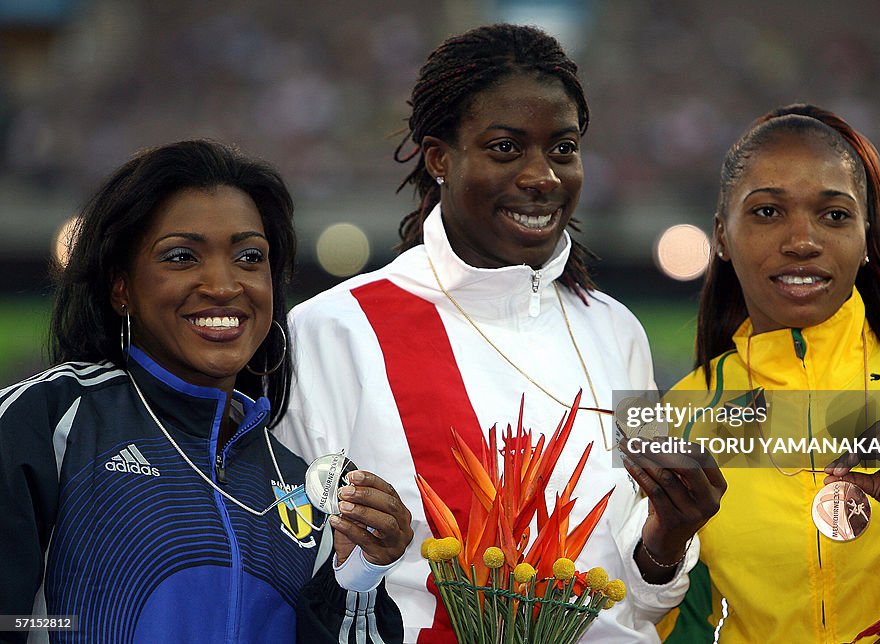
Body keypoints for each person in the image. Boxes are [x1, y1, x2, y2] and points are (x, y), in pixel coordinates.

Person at [276, 23, 723, 644]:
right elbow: (292, 561)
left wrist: (670, 534)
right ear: (439, 158)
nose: (543, 176)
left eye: (563, 148)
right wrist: (357, 561)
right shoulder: (334, 330)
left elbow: (643, 597)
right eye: (507, 148)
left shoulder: (619, 331)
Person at [0, 140, 410, 644]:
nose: (222, 284)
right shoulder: (47, 422)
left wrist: (359, 577)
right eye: (181, 256)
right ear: (121, 287)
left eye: (248, 257)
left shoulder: (304, 482)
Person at [660, 105, 880, 642]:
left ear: (866, 235)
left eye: (834, 215)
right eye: (766, 212)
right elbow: (670, 627)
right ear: (721, 234)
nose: (802, 241)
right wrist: (660, 551)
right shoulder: (677, 415)